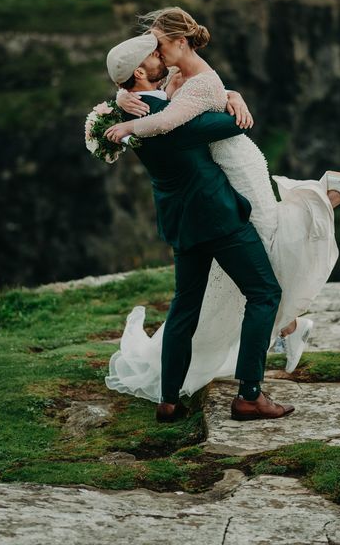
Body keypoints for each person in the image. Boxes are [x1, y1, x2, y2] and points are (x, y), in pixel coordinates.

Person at [104, 9, 340, 398]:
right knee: (265, 261)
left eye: (159, 45)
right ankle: (283, 336)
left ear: (180, 42)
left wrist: (133, 117)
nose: (157, 52)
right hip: (215, 189)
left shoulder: (186, 84)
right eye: (152, 50)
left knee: (269, 238)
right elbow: (181, 110)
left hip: (231, 170)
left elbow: (185, 110)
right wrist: (126, 100)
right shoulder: (166, 84)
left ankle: (327, 196)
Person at [104, 32, 296, 424]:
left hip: (180, 222)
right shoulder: (171, 122)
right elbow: (230, 125)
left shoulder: (128, 112)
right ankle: (249, 396)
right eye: (155, 56)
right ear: (141, 71)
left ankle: (169, 399)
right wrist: (233, 99)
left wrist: (120, 97)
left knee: (184, 307)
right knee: (263, 292)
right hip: (218, 218)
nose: (163, 58)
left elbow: (129, 108)